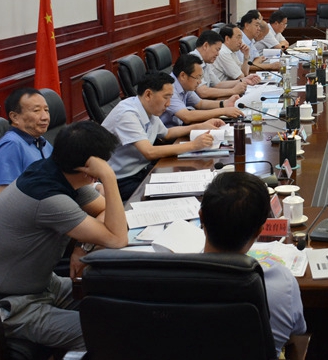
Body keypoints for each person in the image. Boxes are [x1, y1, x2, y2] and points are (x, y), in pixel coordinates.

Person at [0, 121, 127, 351]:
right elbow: (117, 238)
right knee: (110, 334)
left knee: (121, 298)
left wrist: (83, 246)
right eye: (103, 163)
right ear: (89, 169)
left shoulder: (57, 173)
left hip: (40, 287)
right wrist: (109, 178)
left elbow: (107, 211)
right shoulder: (48, 199)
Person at [200, 171, 306, 352]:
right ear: (260, 230)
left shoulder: (171, 279)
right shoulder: (283, 283)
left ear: (201, 217)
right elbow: (296, 332)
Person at [103, 72, 226, 200]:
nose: (168, 104)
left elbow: (167, 133)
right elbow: (149, 152)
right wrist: (194, 145)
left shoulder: (147, 108)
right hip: (121, 180)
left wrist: (199, 126)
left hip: (143, 170)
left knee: (192, 184)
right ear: (148, 94)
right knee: (179, 194)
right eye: (166, 97)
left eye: (170, 98)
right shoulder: (127, 114)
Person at [0, 87, 53, 201]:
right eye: (36, 111)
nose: (45, 117)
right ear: (15, 117)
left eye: (46, 110)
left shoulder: (40, 141)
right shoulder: (10, 146)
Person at [162, 53, 242, 128]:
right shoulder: (169, 89)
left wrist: (225, 103)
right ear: (183, 75)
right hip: (166, 134)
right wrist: (223, 111)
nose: (200, 82)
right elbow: (187, 116)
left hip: (179, 128)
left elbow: (200, 104)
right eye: (197, 77)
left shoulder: (184, 84)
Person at [191, 30, 249, 99]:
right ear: (206, 46)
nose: (218, 54)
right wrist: (233, 91)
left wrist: (244, 80)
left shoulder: (205, 61)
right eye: (217, 49)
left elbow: (218, 84)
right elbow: (203, 92)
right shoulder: (192, 61)